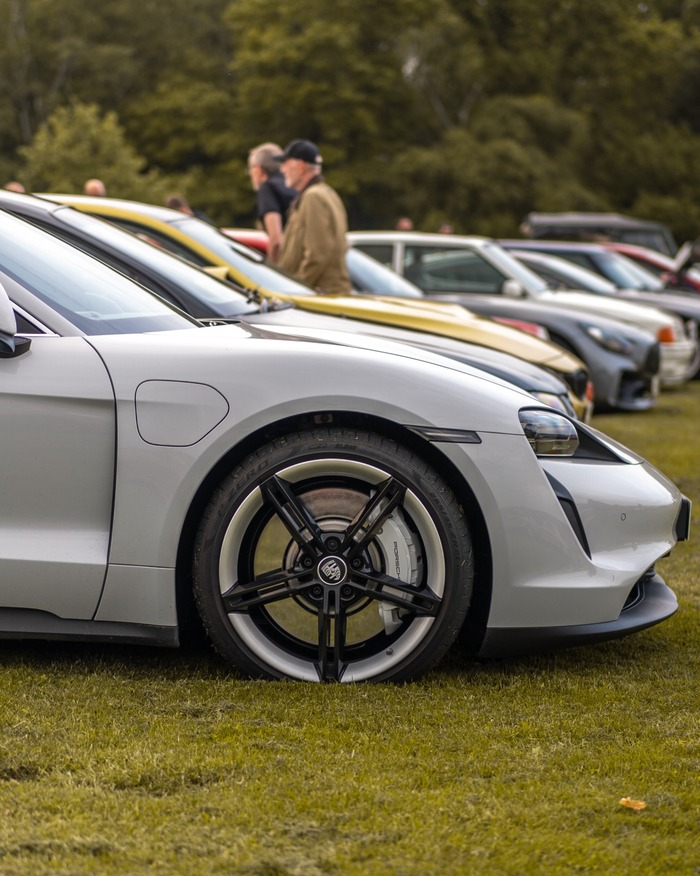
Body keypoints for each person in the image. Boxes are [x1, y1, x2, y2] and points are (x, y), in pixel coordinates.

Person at [276, 139, 351, 294]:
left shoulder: (313, 197)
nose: (282, 170)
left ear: (301, 166)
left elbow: (317, 254)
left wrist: (295, 290)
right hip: (327, 293)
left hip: (320, 296)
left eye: (286, 163)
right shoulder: (327, 192)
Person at [247, 142, 297, 263]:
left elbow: (276, 240)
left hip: (289, 262)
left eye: (250, 169)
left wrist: (272, 271)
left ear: (258, 169)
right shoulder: (293, 185)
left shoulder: (267, 188)